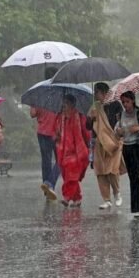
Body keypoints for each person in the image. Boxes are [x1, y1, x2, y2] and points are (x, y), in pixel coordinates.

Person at [87, 82, 125, 210]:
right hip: (99, 142)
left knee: (112, 169)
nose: (96, 96)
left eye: (97, 93)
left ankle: (117, 193)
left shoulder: (116, 105)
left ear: (104, 92)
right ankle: (106, 199)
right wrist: (90, 118)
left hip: (114, 141)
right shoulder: (95, 107)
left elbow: (121, 122)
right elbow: (88, 127)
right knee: (101, 171)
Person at [116, 91, 139, 218]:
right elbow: (117, 131)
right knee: (132, 177)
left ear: (133, 101)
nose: (125, 105)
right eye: (123, 102)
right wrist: (118, 131)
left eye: (127, 102)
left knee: (134, 176)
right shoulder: (120, 115)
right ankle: (138, 208)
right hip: (127, 148)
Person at [55, 94, 91, 207]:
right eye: (63, 102)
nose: (64, 105)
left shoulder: (79, 117)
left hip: (76, 152)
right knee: (68, 176)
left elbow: (86, 133)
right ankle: (77, 198)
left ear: (72, 104)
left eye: (66, 103)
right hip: (63, 152)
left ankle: (66, 197)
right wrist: (56, 134)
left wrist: (89, 145)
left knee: (71, 177)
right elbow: (56, 133)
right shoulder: (60, 118)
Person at [31, 67, 60, 201]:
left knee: (46, 161)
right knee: (61, 160)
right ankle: (50, 184)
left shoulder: (39, 92)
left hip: (42, 132)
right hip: (57, 132)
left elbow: (32, 114)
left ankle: (47, 188)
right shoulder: (60, 92)